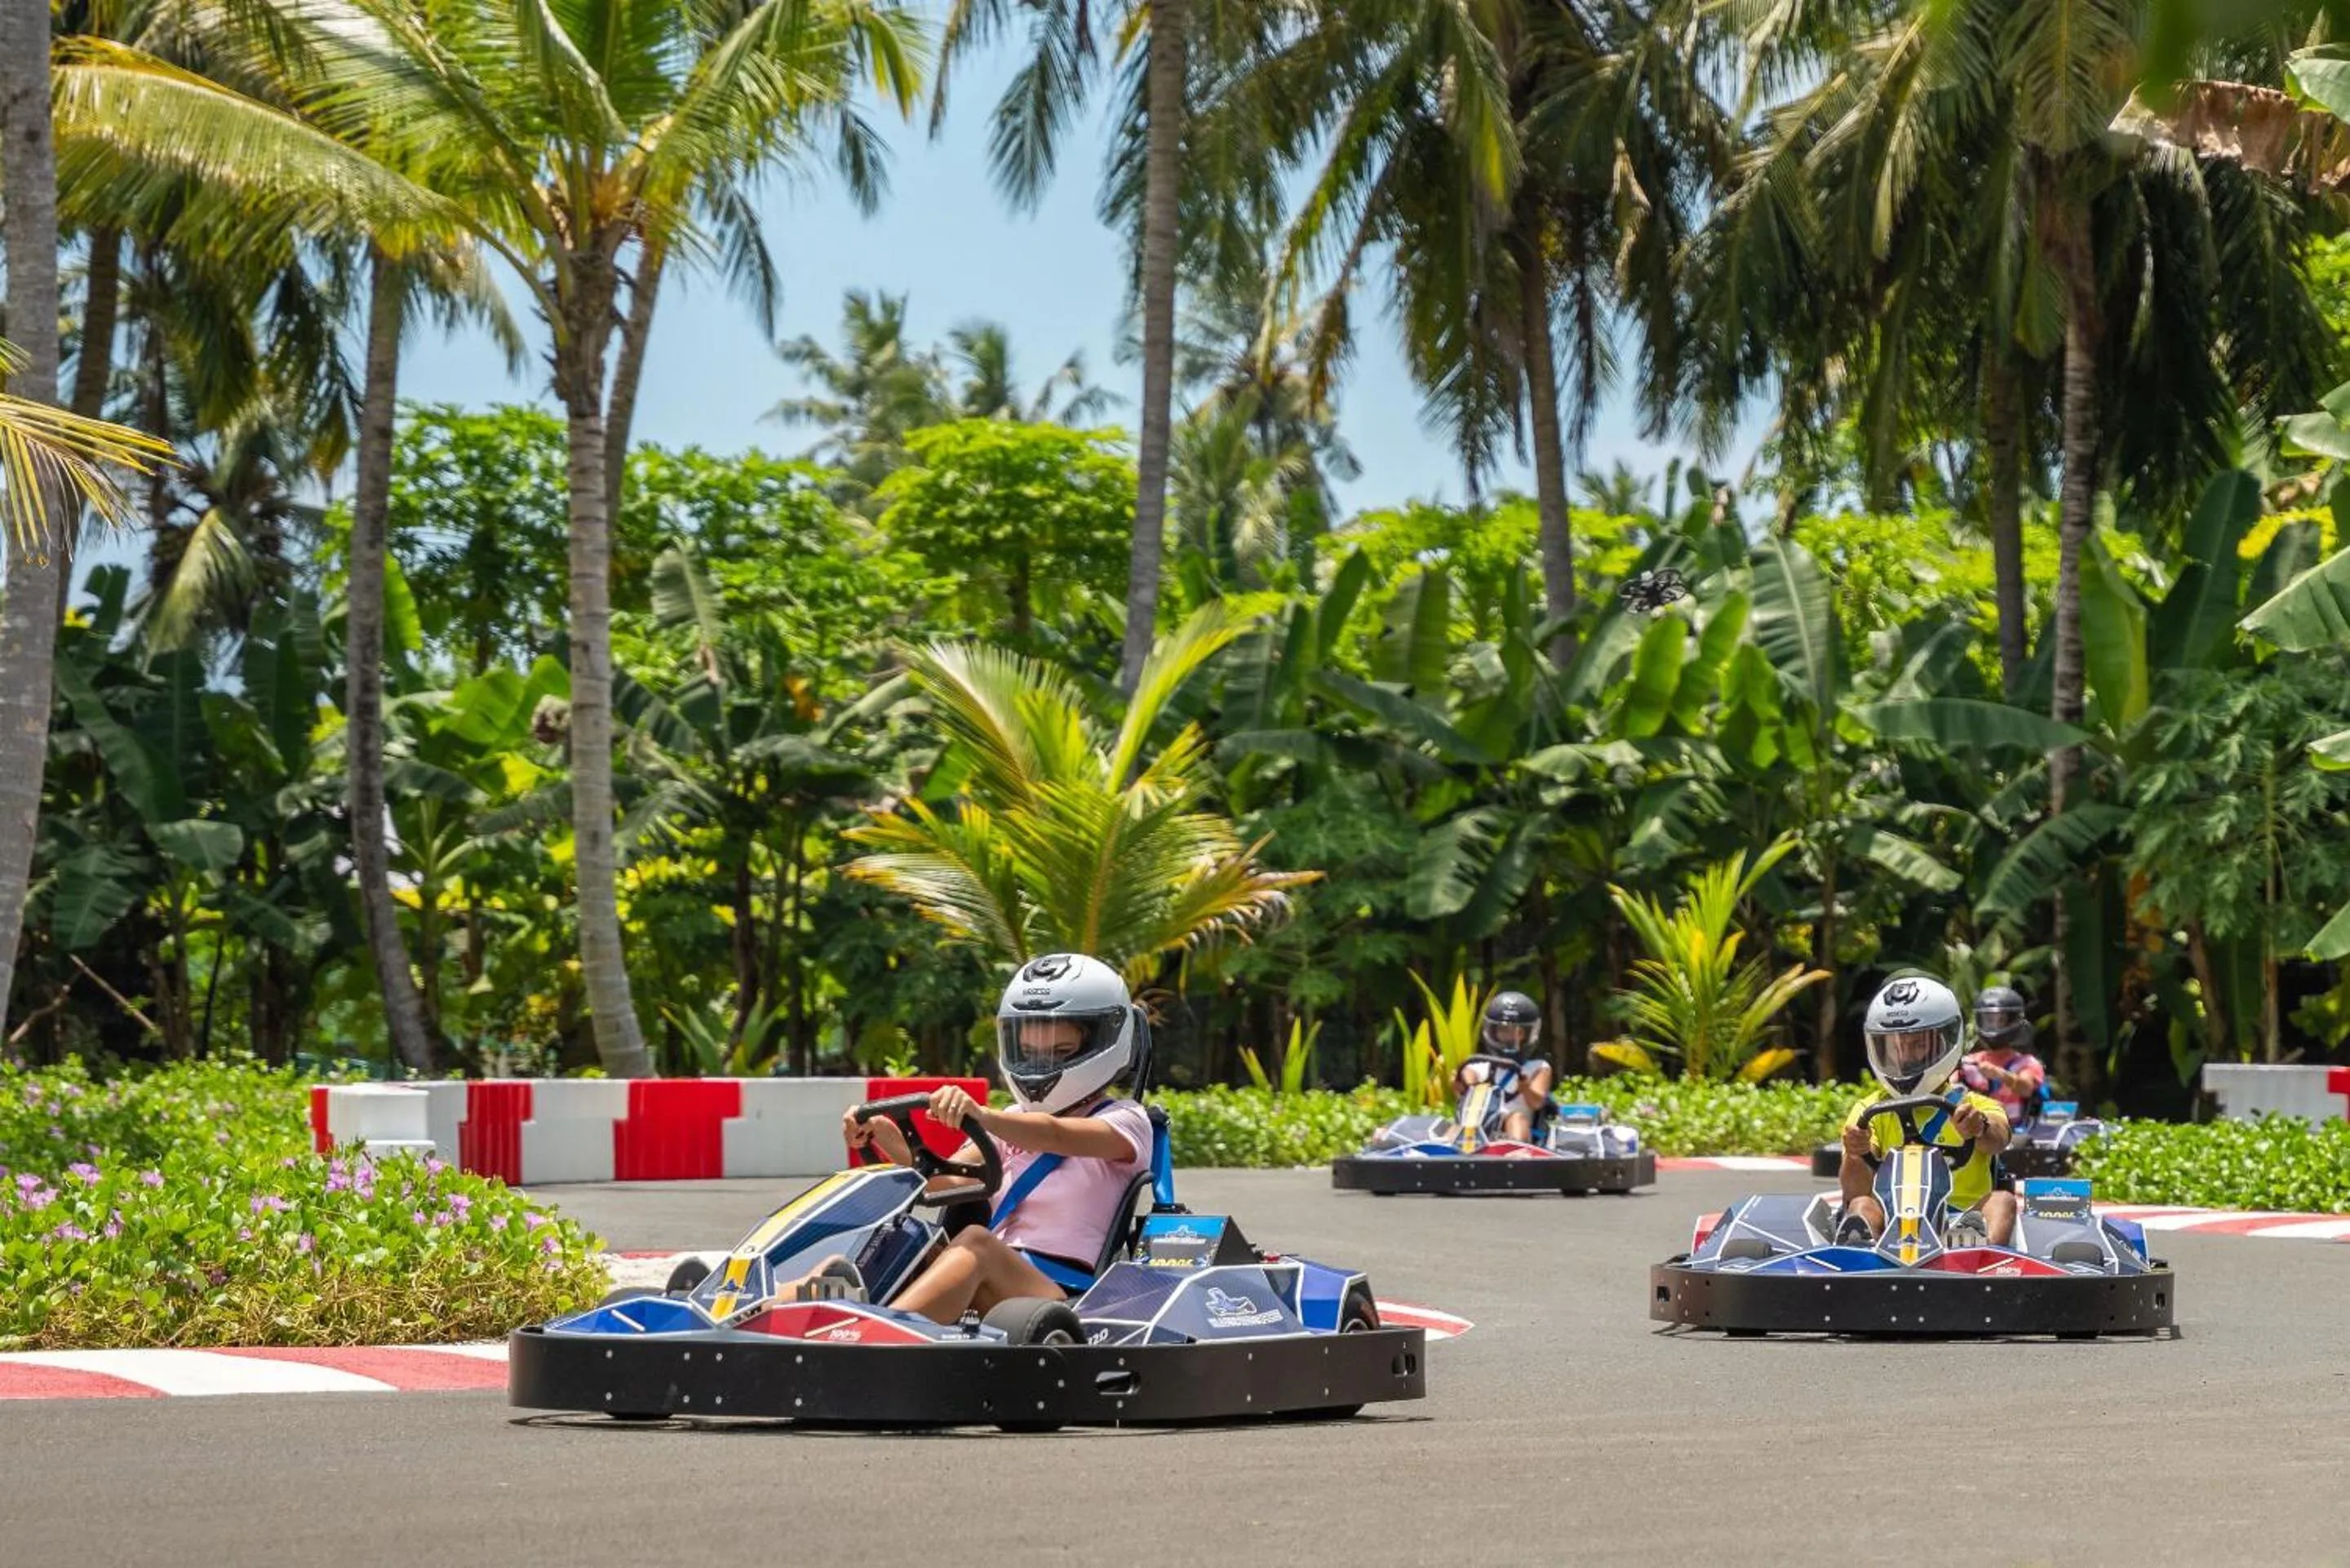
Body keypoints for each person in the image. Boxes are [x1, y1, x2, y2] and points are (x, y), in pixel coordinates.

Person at [809, 953, 1152, 1324]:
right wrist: (889, 1139)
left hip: (1064, 1292)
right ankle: (775, 1322)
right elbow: (943, 1184)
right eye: (1031, 1054)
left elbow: (1057, 1135)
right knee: (893, 1239)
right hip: (989, 1275)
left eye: (1061, 1052)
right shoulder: (1011, 1122)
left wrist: (984, 1116)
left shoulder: (1127, 1121)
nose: (1041, 1067)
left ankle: (875, 1337)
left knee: (976, 1243)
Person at [1835, 976, 2016, 1249]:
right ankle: (1859, 1249)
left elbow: (1999, 1137)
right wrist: (1856, 1153)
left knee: (2003, 1201)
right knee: (1861, 1204)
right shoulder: (1868, 1111)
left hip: (1960, 1221)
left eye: (1918, 1044)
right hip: (1889, 1226)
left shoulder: (1974, 1106)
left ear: (1946, 1041)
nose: (1906, 1056)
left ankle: (1978, 1253)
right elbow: (1854, 1191)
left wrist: (1980, 1129)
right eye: (1898, 1046)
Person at [1453, 990, 1554, 1143]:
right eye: (1504, 1030)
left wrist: (1525, 1088)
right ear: (1493, 1032)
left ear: (1528, 1034)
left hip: (1518, 1127)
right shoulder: (1482, 1065)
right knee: (1457, 1126)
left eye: (1518, 1032)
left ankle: (1515, 1151)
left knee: (1516, 1118)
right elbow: (1467, 1075)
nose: (1511, 1036)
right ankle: (1445, 1152)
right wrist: (1462, 1081)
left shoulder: (1538, 1067)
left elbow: (1537, 1102)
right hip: (1479, 1125)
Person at [1956, 985, 2046, 1128]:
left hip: (2015, 1132)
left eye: (2000, 1020)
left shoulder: (2027, 1063)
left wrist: (2001, 1075)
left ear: (2012, 1021)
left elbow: (2026, 1088)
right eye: (1989, 1020)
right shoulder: (1968, 1063)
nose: (1993, 1026)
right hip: (1976, 1131)